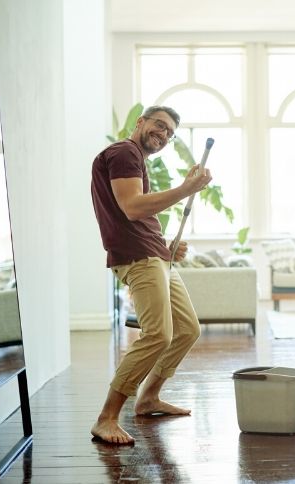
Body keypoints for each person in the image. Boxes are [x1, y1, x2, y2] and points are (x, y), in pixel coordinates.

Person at [90, 105, 212, 444]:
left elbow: (137, 212)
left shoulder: (136, 160)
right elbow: (132, 207)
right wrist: (187, 189)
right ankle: (107, 417)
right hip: (138, 257)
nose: (163, 135)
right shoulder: (124, 152)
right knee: (158, 334)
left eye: (170, 133)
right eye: (160, 125)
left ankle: (148, 398)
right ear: (140, 122)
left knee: (187, 329)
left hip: (155, 253)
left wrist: (168, 246)